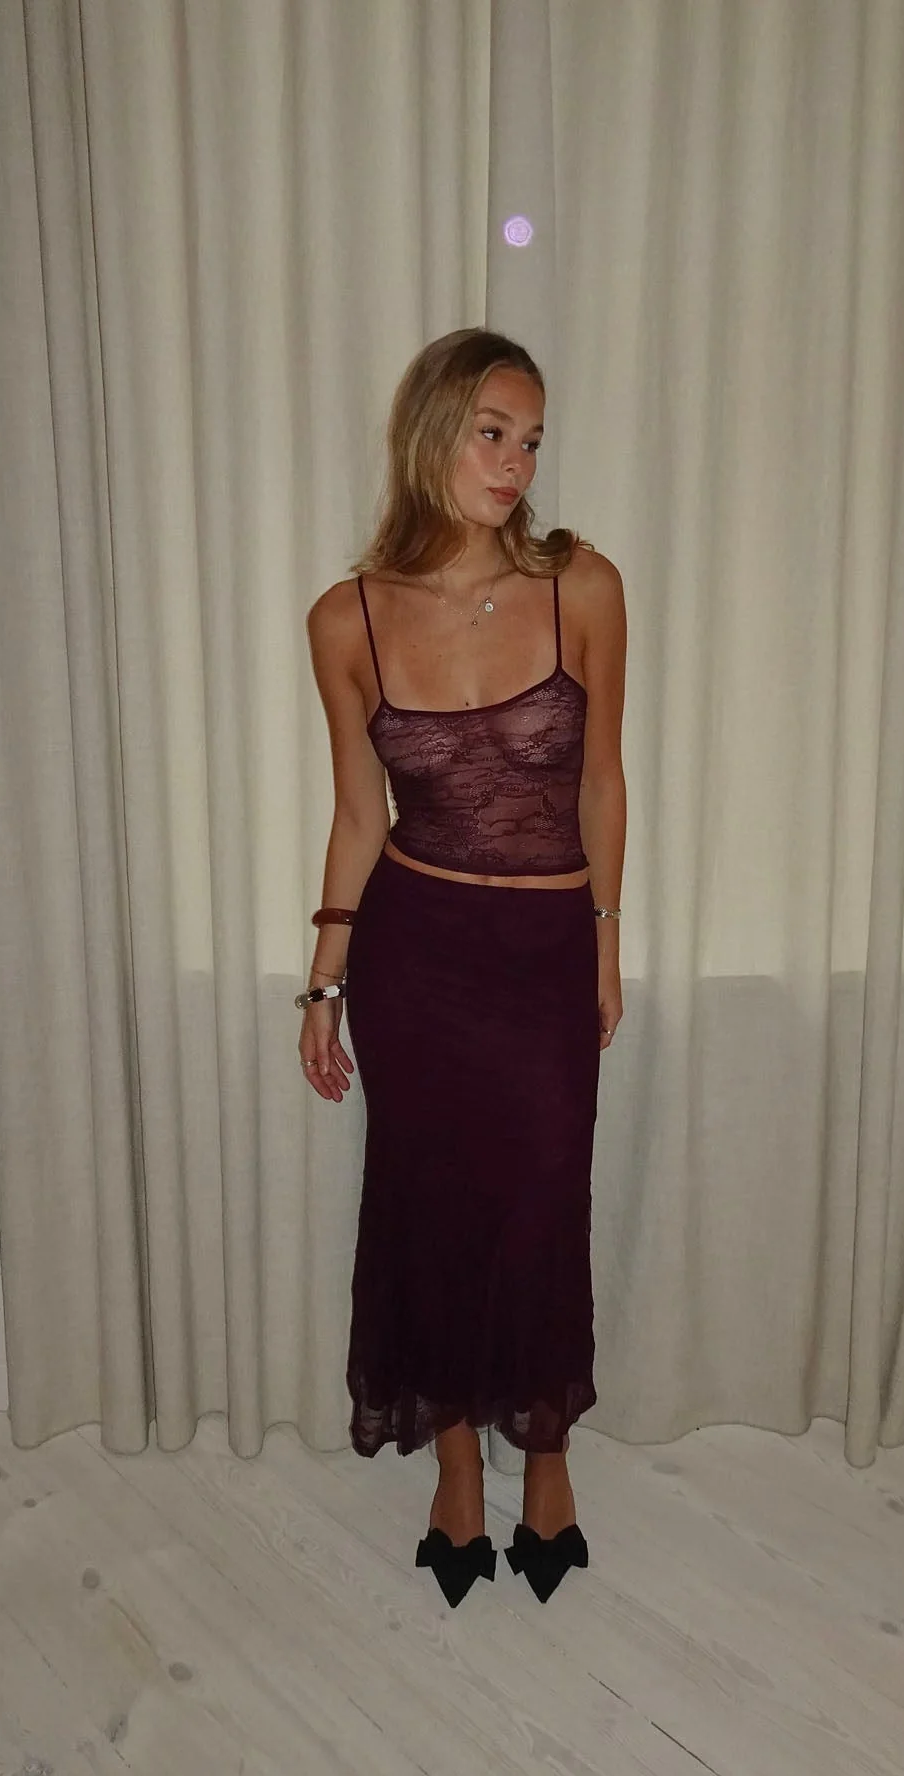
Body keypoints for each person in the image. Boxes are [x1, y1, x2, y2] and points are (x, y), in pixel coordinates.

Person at [297, 327, 627, 1605]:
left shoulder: (581, 586)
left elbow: (601, 780)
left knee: (542, 1203)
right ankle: (449, 1464)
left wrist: (604, 941)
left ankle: (544, 1455)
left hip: (544, 952)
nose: (516, 463)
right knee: (427, 1204)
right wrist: (327, 982)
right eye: (493, 432)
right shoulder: (347, 619)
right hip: (415, 958)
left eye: (531, 440)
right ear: (430, 431)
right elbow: (357, 814)